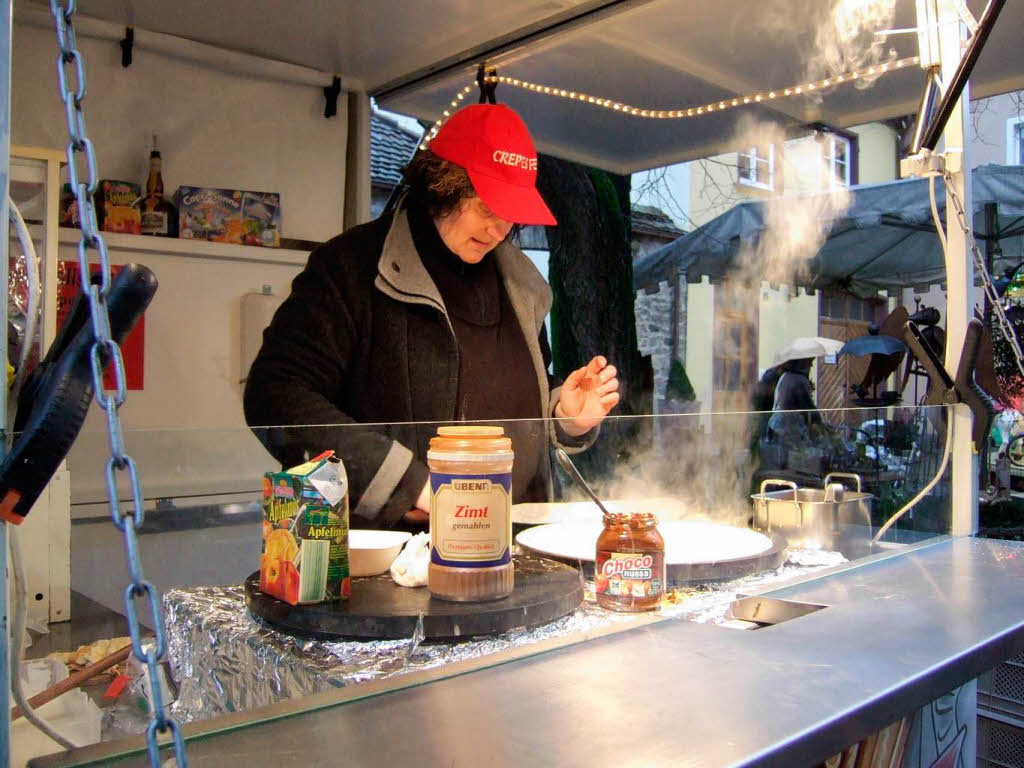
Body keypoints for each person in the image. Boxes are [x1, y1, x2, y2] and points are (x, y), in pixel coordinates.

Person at [244, 103, 620, 530]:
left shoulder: (523, 283)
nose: (500, 230)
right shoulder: (350, 267)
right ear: (443, 185)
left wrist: (562, 415)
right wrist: (406, 484)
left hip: (520, 544)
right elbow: (274, 395)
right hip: (406, 556)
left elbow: (519, 389)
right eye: (486, 208)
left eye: (510, 214)